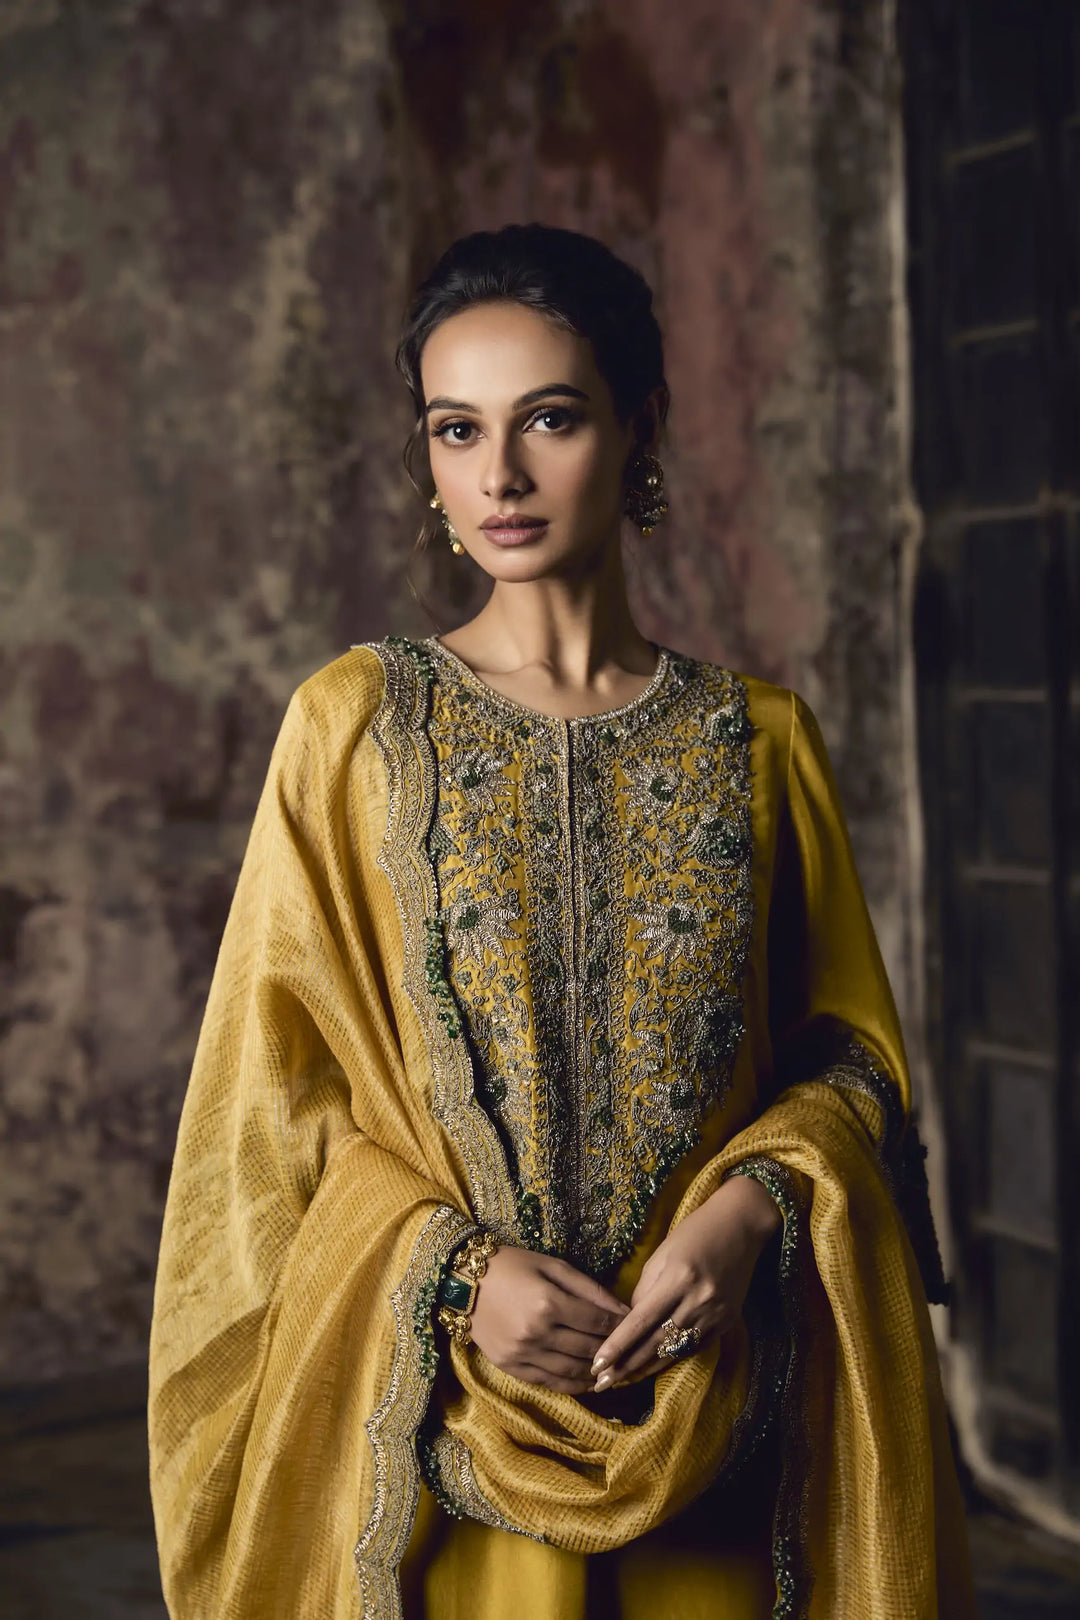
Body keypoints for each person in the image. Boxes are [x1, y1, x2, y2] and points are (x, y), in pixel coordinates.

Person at [147, 223, 977, 1620]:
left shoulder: (758, 740)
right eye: (456, 430)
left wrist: (748, 1213)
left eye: (549, 419)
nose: (501, 478)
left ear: (637, 427)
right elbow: (274, 1110)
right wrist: (454, 1278)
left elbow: (852, 1066)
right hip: (449, 1441)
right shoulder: (354, 731)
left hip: (717, 1421)